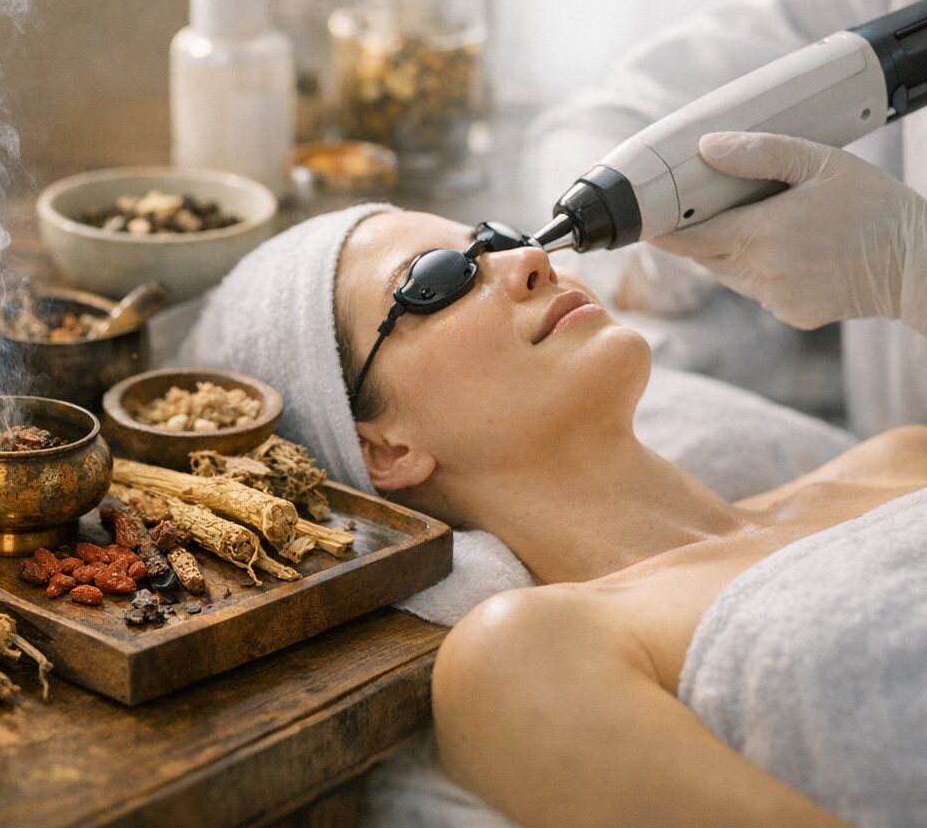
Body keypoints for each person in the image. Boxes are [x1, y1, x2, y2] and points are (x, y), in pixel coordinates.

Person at [181, 204, 926, 826]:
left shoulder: (897, 460)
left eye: (497, 238)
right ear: (384, 449)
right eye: (437, 280)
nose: (532, 258)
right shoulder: (528, 652)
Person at [529, 0, 927, 438]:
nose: (518, 267)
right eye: (436, 281)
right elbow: (614, 113)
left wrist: (909, 268)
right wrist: (663, 251)